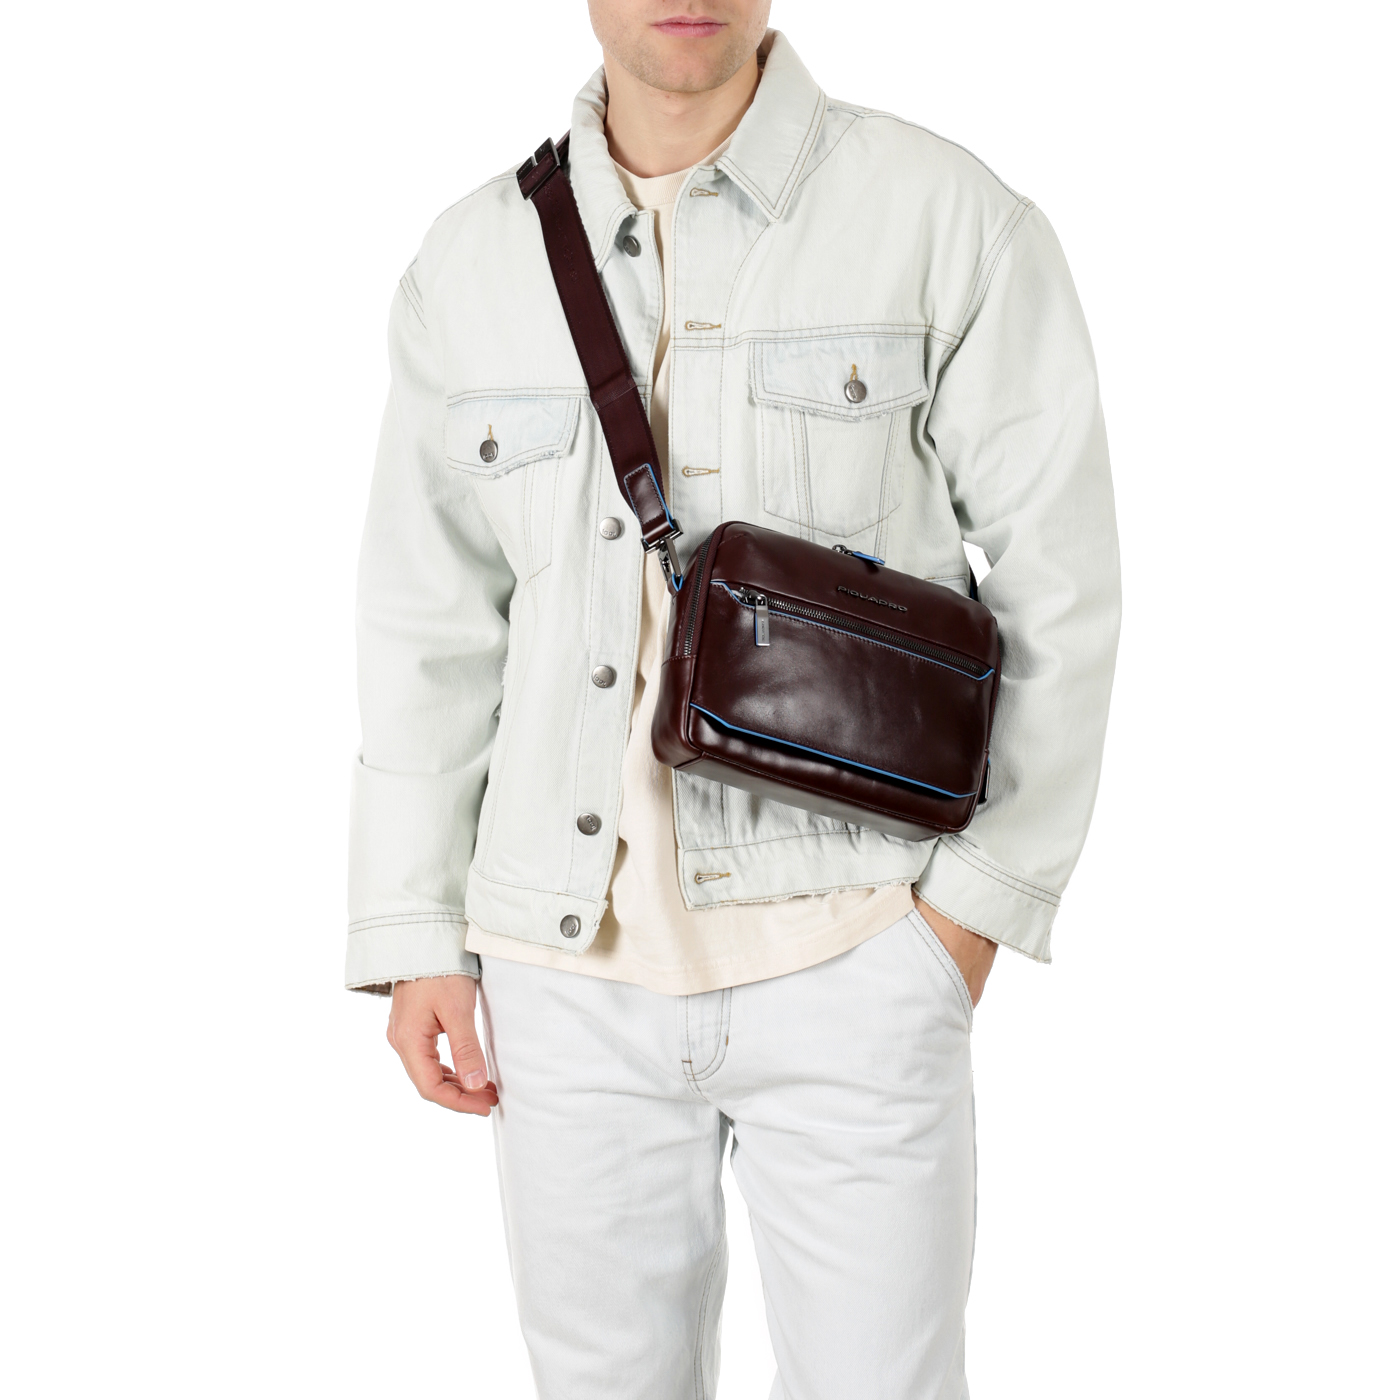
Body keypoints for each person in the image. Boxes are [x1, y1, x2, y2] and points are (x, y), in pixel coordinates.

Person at [347, 4, 1120, 1395]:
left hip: (855, 951)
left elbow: (1065, 585)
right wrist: (417, 934)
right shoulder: (467, 264)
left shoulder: (949, 219)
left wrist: (966, 919)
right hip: (559, 978)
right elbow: (430, 625)